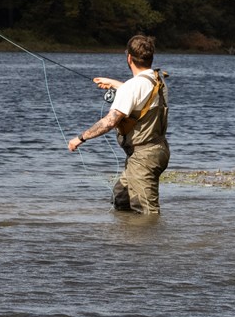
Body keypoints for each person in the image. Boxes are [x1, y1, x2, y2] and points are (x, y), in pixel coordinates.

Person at [67, 34, 170, 214]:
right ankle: (126, 240)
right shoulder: (156, 80)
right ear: (150, 58)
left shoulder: (132, 87)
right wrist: (113, 83)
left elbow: (109, 122)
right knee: (121, 196)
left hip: (143, 157)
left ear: (129, 58)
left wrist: (80, 138)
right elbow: (139, 93)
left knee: (147, 212)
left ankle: (152, 241)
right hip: (157, 150)